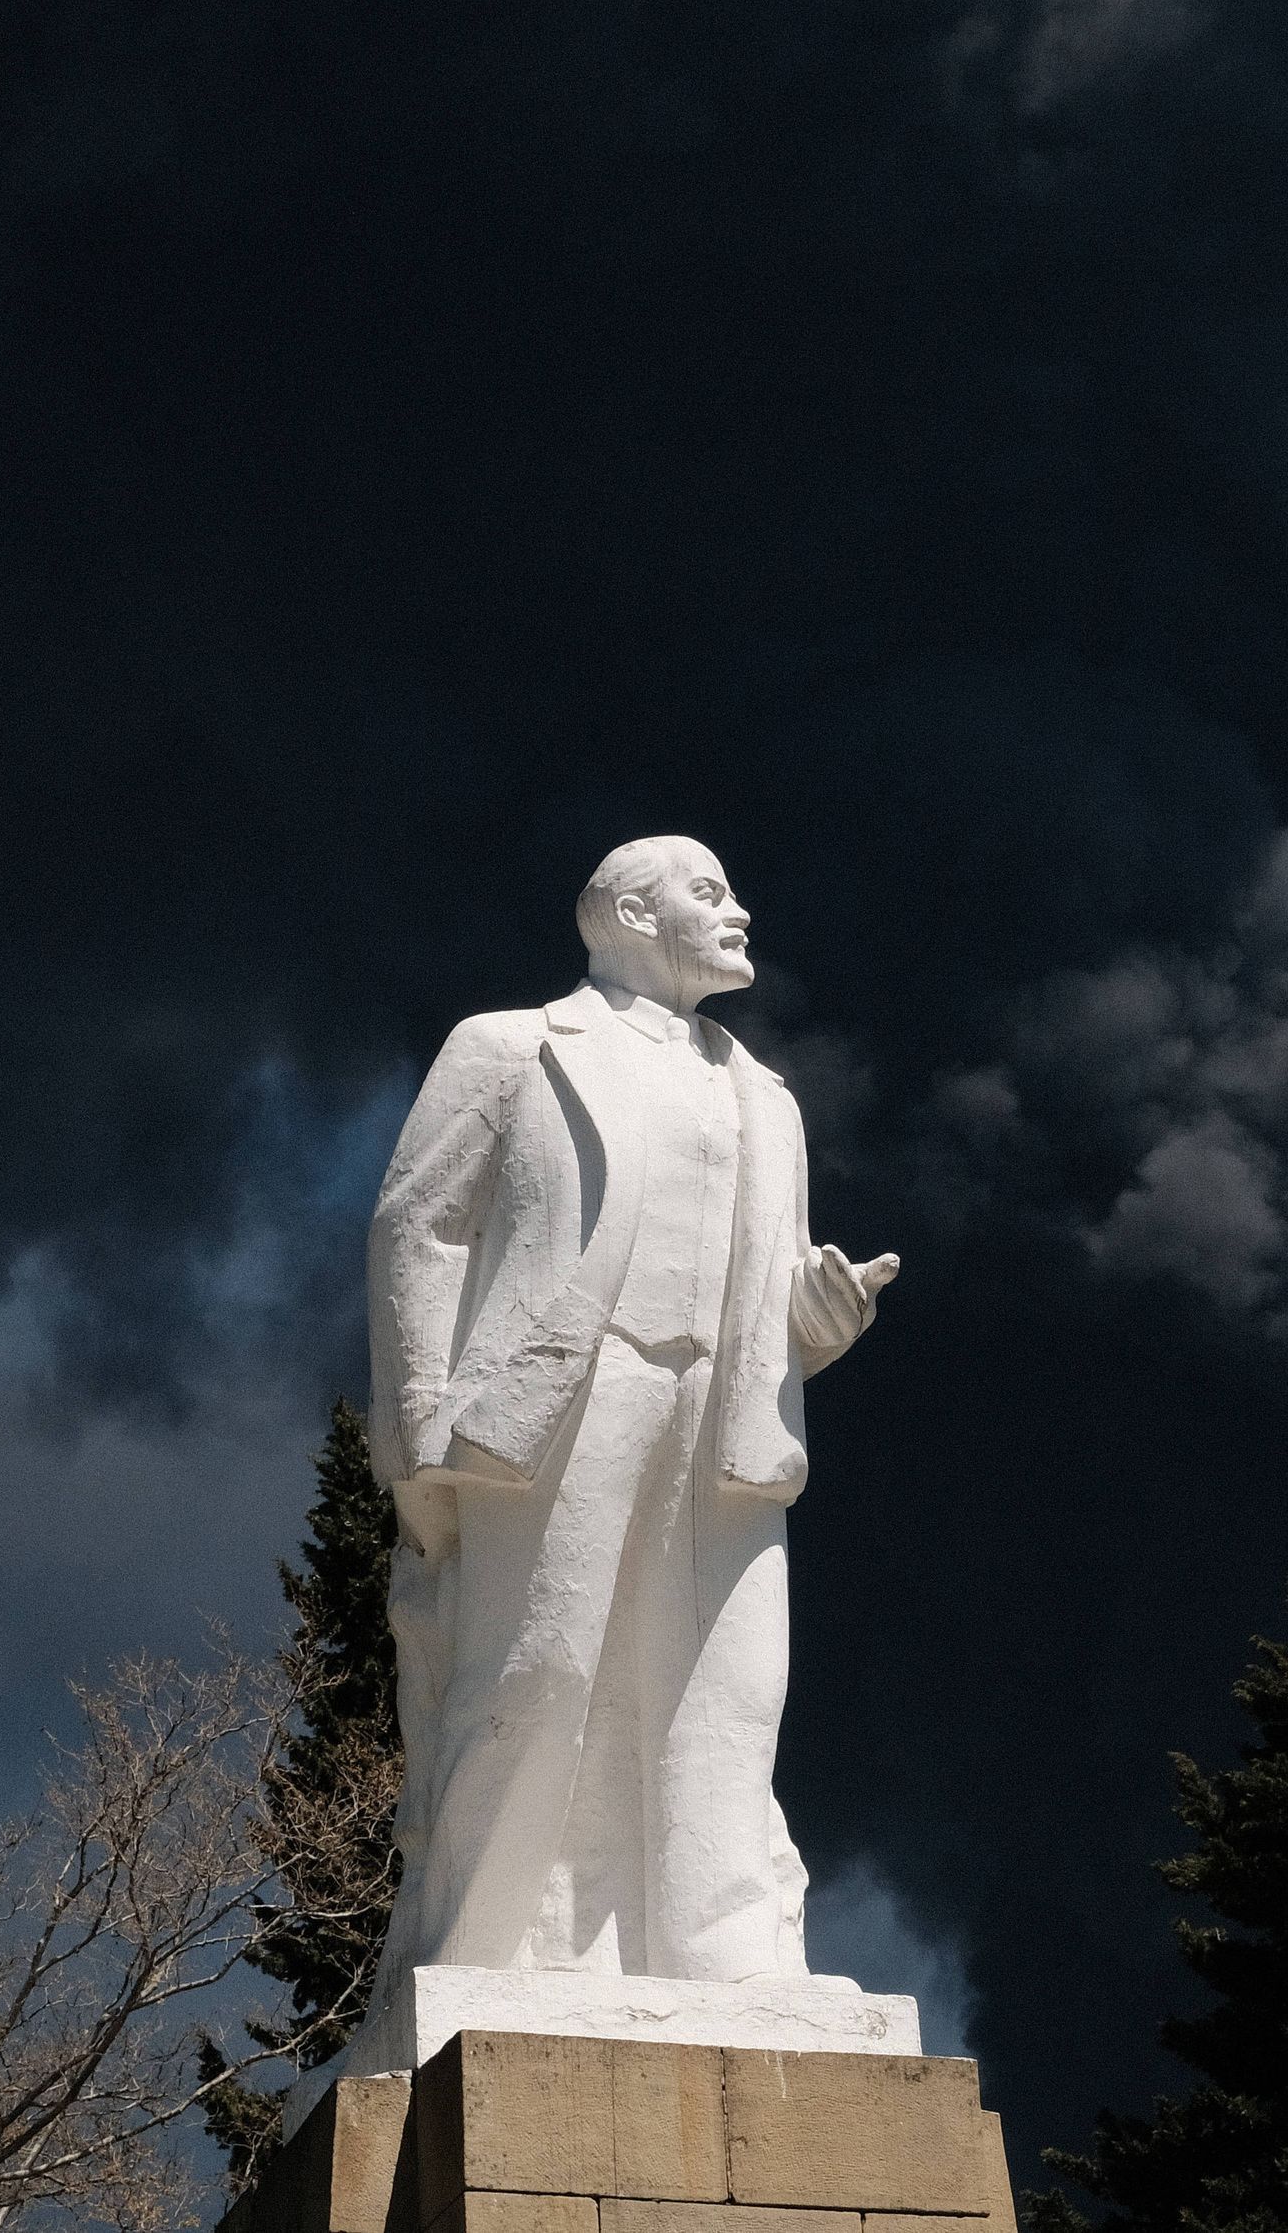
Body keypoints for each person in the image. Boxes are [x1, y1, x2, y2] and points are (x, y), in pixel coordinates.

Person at [367, 835, 899, 1987]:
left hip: (726, 1414)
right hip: (562, 1398)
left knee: (730, 1687)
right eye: (710, 892)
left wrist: (821, 1317)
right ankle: (488, 1947)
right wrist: (420, 1422)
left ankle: (728, 1953)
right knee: (536, 1667)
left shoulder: (766, 1098)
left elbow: (770, 1289)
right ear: (629, 914)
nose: (740, 913)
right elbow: (421, 1226)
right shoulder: (510, 1047)